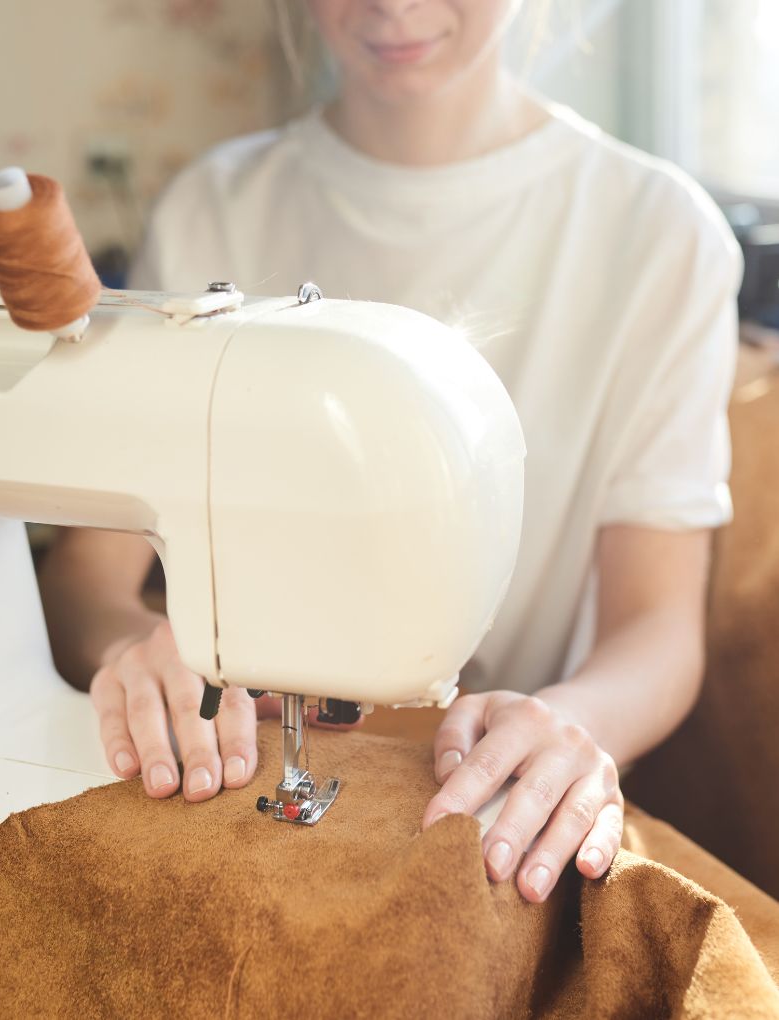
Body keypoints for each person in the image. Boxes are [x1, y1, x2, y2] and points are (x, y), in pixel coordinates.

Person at [38, 0, 740, 905]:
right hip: (234, 783)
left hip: (472, 795)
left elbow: (657, 630)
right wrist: (143, 656)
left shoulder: (659, 234)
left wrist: (571, 725)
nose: (393, 6)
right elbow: (85, 579)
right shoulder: (216, 207)